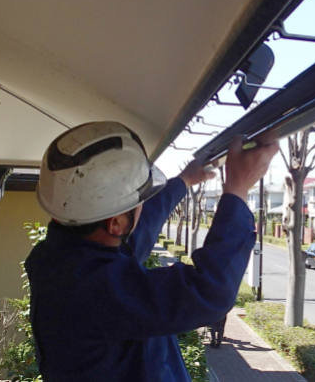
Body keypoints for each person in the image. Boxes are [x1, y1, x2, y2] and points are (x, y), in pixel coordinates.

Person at [25, 121, 277, 382]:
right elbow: (207, 291)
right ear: (116, 224)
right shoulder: (91, 287)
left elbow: (135, 235)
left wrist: (184, 180)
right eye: (140, 201)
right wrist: (237, 190)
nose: (144, 207)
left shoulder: (62, 258)